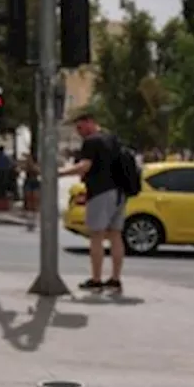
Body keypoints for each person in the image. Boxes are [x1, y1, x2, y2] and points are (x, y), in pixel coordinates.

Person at [59, 110, 124, 294]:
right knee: (116, 236)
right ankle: (115, 279)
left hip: (101, 192)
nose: (79, 132)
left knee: (96, 236)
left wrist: (60, 173)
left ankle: (96, 279)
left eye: (80, 127)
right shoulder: (112, 138)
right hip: (119, 193)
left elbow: (84, 167)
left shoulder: (92, 141)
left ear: (89, 122)